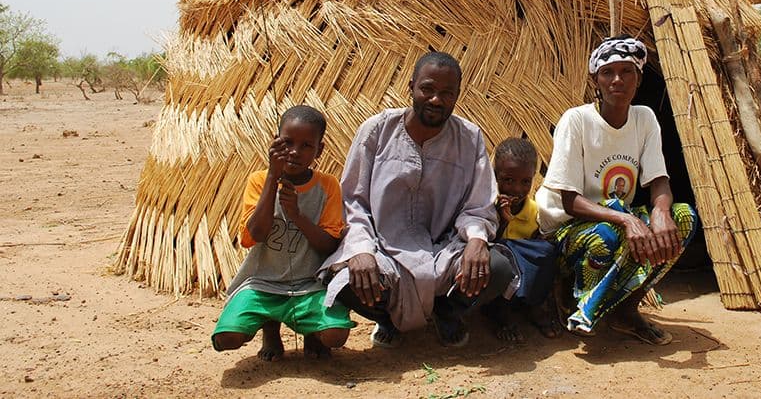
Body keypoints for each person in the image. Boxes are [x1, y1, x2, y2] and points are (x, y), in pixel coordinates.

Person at [320, 51, 516, 348]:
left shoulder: (469, 137)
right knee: (348, 279)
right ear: (410, 86)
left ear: (457, 96)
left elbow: (477, 206)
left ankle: (447, 311)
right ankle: (388, 318)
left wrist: (476, 240)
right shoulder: (376, 131)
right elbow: (352, 202)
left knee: (497, 267)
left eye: (447, 93)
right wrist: (360, 249)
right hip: (385, 252)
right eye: (428, 89)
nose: (436, 100)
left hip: (443, 252)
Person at [536, 36, 699, 345]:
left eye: (626, 72)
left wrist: (661, 212)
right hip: (566, 227)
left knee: (683, 219)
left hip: (614, 218)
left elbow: (659, 181)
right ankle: (572, 297)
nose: (617, 80)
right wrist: (628, 220)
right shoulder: (577, 120)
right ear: (596, 79)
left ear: (638, 79)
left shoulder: (644, 119)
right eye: (608, 72)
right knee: (606, 236)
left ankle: (626, 309)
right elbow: (569, 201)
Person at [211, 105, 354, 360]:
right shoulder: (258, 180)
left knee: (334, 335)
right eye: (287, 143)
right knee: (227, 339)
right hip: (263, 284)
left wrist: (297, 216)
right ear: (275, 142)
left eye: (306, 146)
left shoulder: (328, 185)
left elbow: (329, 245)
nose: (295, 152)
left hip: (310, 285)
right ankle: (270, 327)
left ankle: (311, 332)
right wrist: (272, 179)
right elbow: (254, 234)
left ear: (319, 150)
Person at [483, 138, 561, 341]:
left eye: (525, 182)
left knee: (546, 251)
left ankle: (535, 307)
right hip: (495, 287)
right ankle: (501, 316)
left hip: (521, 285)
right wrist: (501, 221)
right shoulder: (485, 208)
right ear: (495, 176)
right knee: (500, 253)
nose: (517, 189)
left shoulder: (535, 212)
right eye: (508, 180)